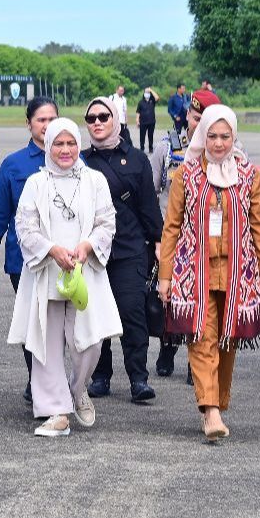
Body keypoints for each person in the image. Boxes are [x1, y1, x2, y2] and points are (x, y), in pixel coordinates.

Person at [158, 104, 260, 441]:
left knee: (228, 339)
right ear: (202, 135)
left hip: (238, 273)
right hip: (193, 273)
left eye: (225, 136)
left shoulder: (249, 175)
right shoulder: (187, 174)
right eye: (212, 135)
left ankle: (218, 403)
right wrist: (165, 276)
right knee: (201, 337)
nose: (219, 143)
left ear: (234, 136)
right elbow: (172, 228)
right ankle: (209, 410)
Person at [8, 118, 122, 436]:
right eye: (58, 143)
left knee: (92, 341)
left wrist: (86, 247)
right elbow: (24, 226)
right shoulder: (36, 183)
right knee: (45, 342)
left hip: (85, 272)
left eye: (71, 143)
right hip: (47, 271)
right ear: (48, 146)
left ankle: (77, 389)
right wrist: (51, 249)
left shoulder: (94, 180)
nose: (65, 150)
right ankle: (56, 410)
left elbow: (106, 222)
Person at [81, 97, 163, 403]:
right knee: (95, 316)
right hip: (92, 254)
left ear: (116, 120)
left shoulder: (137, 159)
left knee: (132, 313)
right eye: (92, 118)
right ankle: (100, 376)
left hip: (129, 249)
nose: (98, 122)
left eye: (104, 116)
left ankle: (138, 378)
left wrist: (158, 243)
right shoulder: (80, 161)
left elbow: (149, 207)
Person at [0, 96, 59, 404]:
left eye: (51, 119)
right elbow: (0, 215)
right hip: (25, 261)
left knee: (60, 325)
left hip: (65, 260)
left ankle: (58, 381)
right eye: (40, 120)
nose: (46, 126)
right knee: (35, 324)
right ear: (28, 123)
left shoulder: (73, 158)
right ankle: (38, 381)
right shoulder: (14, 164)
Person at [150, 89, 221, 382]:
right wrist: (156, 238)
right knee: (170, 298)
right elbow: (151, 191)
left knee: (206, 298)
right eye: (196, 118)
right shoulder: (166, 146)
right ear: (186, 117)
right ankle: (168, 347)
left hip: (212, 239)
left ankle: (199, 358)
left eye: (206, 118)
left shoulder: (226, 147)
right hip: (175, 236)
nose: (201, 124)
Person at [137, 87, 159, 154]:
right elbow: (138, 112)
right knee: (142, 136)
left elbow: (157, 97)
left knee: (150, 135)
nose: (147, 94)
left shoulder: (152, 100)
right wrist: (137, 120)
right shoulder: (141, 102)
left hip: (151, 122)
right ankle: (142, 148)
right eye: (146, 92)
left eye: (148, 93)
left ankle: (150, 148)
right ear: (144, 93)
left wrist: (151, 90)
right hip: (143, 122)